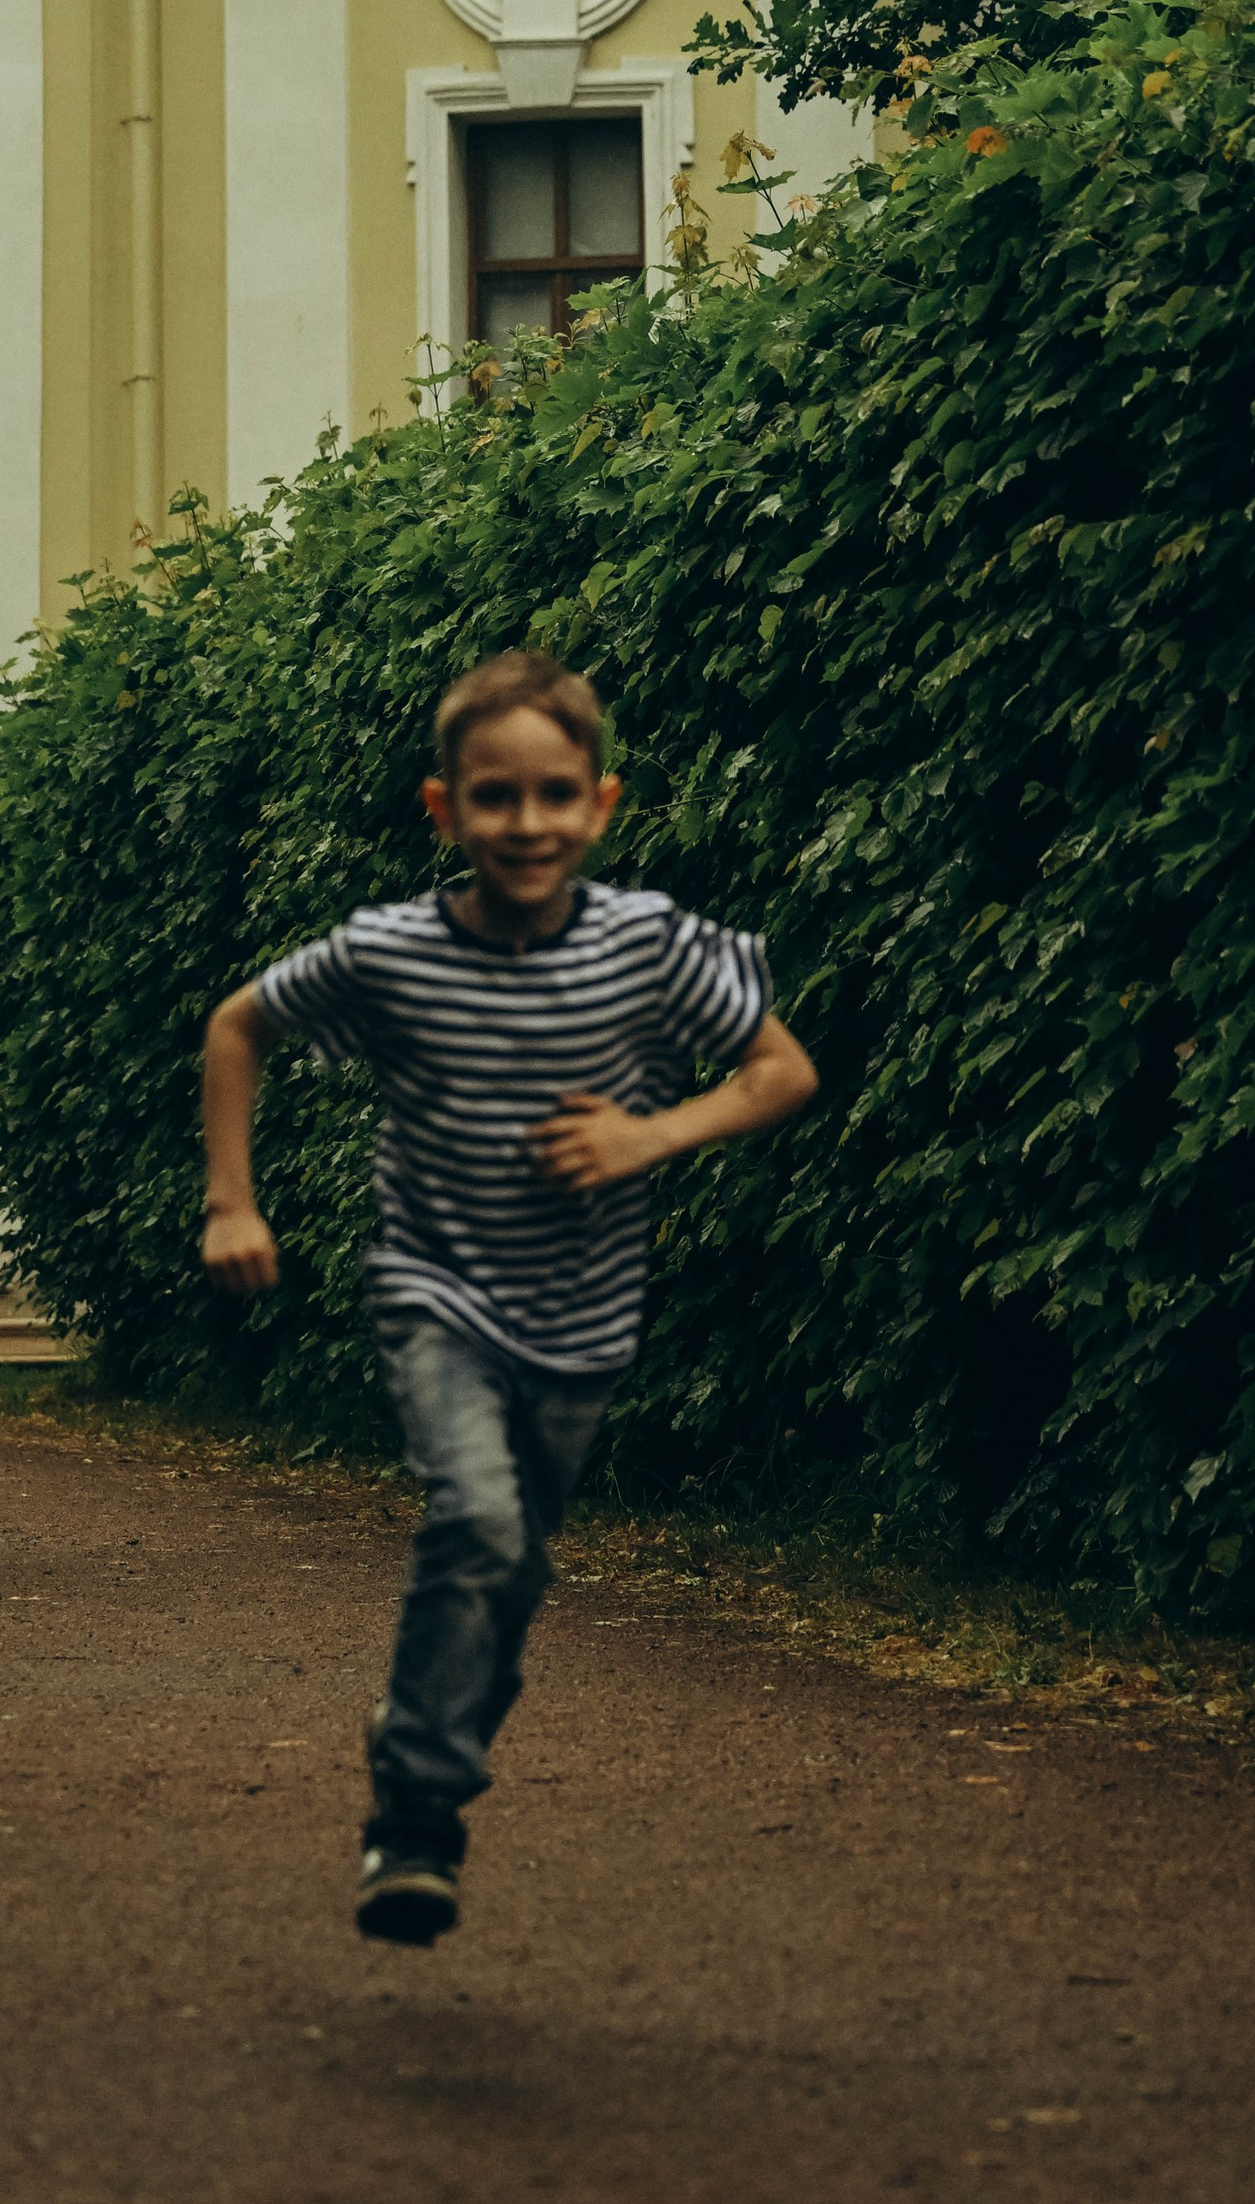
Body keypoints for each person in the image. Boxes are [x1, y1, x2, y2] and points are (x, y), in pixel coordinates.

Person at [199, 652, 817, 1945]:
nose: (525, 825)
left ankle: (423, 1718)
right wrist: (232, 1203)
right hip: (435, 1292)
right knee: (476, 1522)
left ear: (601, 804)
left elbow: (779, 1071)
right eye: (495, 799)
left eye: (553, 797)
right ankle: (415, 1820)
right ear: (445, 809)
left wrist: (652, 1137)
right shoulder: (393, 951)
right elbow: (236, 1026)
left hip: (587, 1320)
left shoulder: (652, 944)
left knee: (510, 1576)